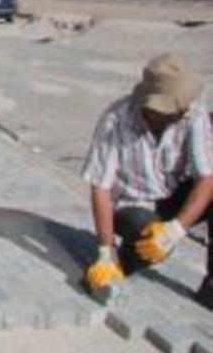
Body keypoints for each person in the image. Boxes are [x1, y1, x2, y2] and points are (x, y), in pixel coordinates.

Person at [82, 52, 213, 308]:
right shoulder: (116, 119)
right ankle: (113, 265)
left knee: (164, 238)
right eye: (175, 106)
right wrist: (105, 251)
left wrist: (175, 230)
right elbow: (101, 188)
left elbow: (207, 178)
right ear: (153, 107)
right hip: (132, 205)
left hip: (169, 195)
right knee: (148, 234)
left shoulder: (192, 114)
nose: (183, 109)